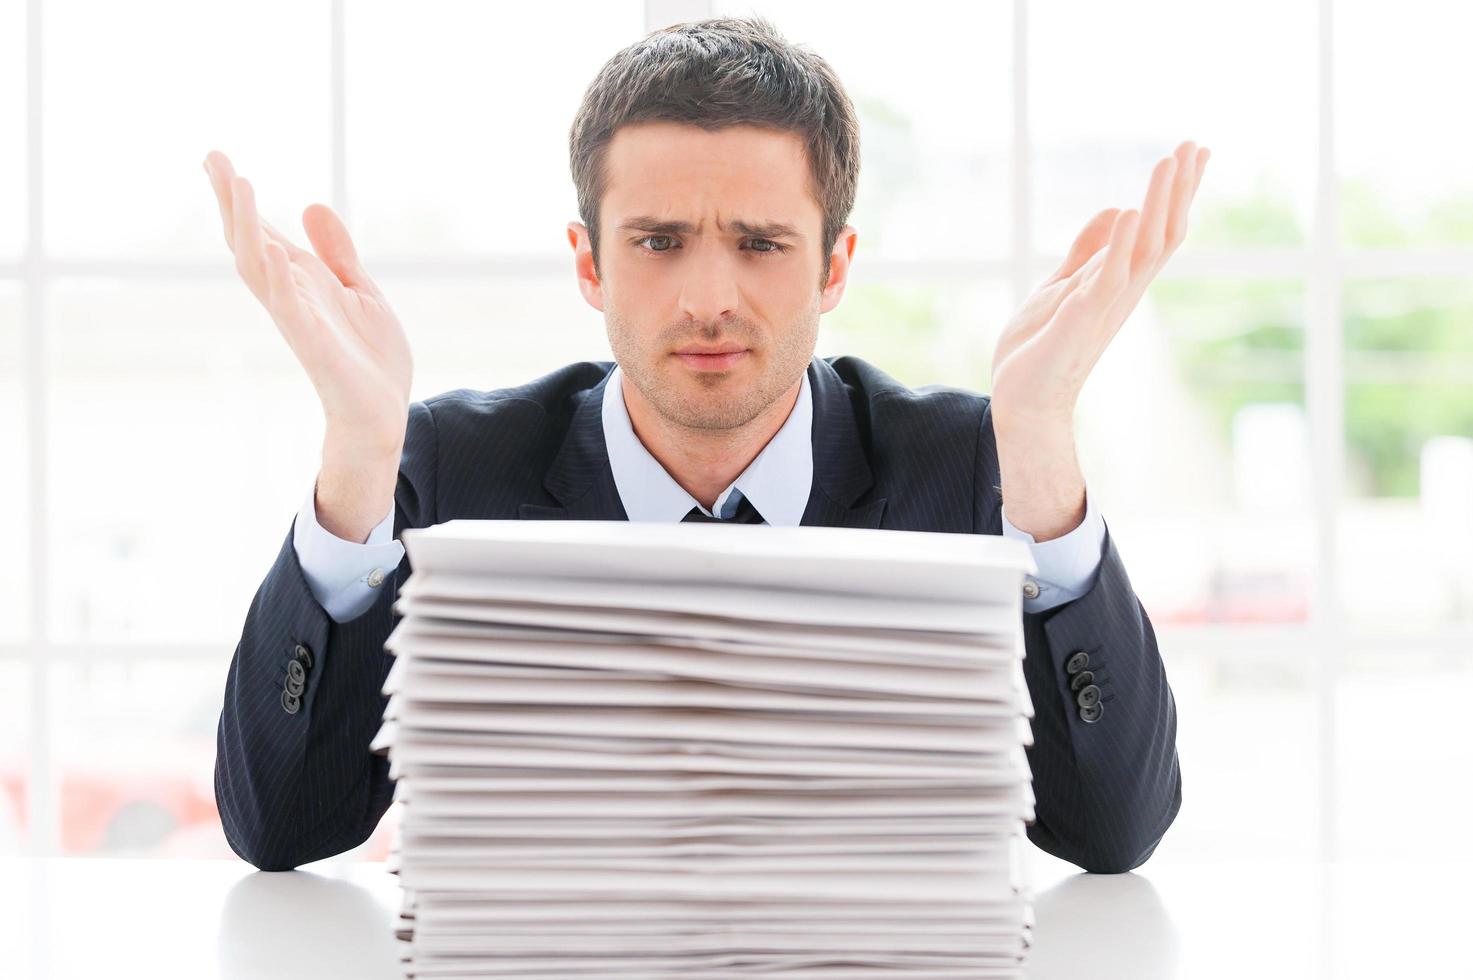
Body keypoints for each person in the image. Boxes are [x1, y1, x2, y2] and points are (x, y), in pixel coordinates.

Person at [208, 15, 1206, 875]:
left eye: (762, 243)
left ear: (834, 266)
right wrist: (354, 453)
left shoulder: (967, 466)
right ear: (589, 263)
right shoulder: (446, 468)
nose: (711, 298)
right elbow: (283, 828)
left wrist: (1037, 444)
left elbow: (1111, 831)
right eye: (659, 240)